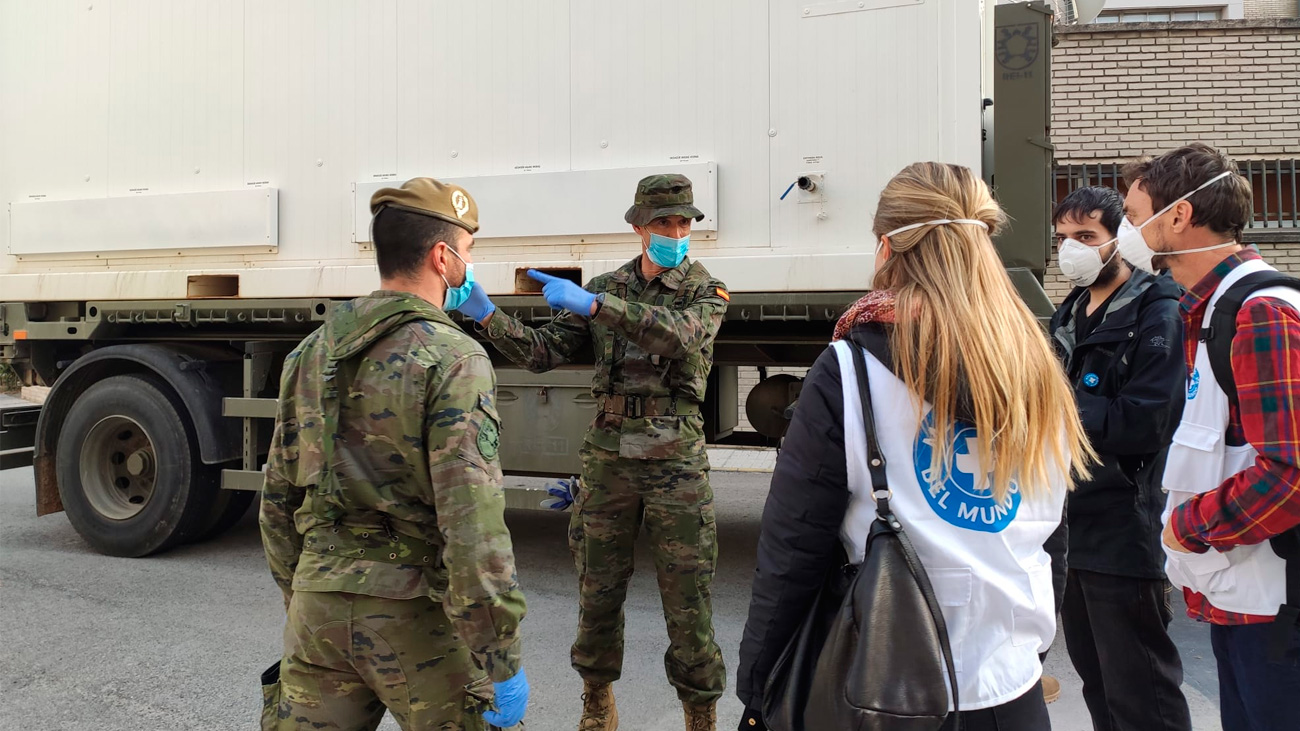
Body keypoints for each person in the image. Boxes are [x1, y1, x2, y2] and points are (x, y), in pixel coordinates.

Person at [736, 162, 1093, 731]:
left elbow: (792, 549)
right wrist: (1025, 652)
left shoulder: (851, 369)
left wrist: (759, 685)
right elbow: (1052, 532)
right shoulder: (1036, 362)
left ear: (887, 249)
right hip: (1009, 686)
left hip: (884, 688)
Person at [454, 173, 729, 731]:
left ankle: (700, 714)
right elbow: (540, 353)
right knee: (598, 590)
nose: (676, 231)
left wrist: (598, 305)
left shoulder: (706, 290)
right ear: (638, 227)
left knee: (688, 599)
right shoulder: (608, 285)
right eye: (664, 222)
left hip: (676, 462)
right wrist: (486, 313)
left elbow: (679, 337)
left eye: (684, 222)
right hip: (607, 459)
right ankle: (596, 702)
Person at [258, 177, 529, 731]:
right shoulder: (454, 357)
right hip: (416, 615)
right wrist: (500, 656)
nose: (468, 267)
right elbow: (472, 524)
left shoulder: (309, 352)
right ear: (442, 257)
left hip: (316, 607)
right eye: (468, 254)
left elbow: (277, 501)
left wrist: (306, 593)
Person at [1122, 143, 1300, 731]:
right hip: (1244, 597)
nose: (1126, 230)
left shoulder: (1259, 314)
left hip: (1277, 612)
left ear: (1176, 216)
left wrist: (1188, 528)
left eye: (1131, 213)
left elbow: (1290, 474)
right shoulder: (1210, 311)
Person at [1048, 186, 1193, 731]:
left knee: (1142, 693)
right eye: (1063, 238)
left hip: (1126, 526)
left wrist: (1055, 410)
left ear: (1120, 239)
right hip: (1070, 526)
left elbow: (1146, 420)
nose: (1072, 250)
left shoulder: (1159, 311)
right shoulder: (1068, 315)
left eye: (1086, 237)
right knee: (1100, 687)